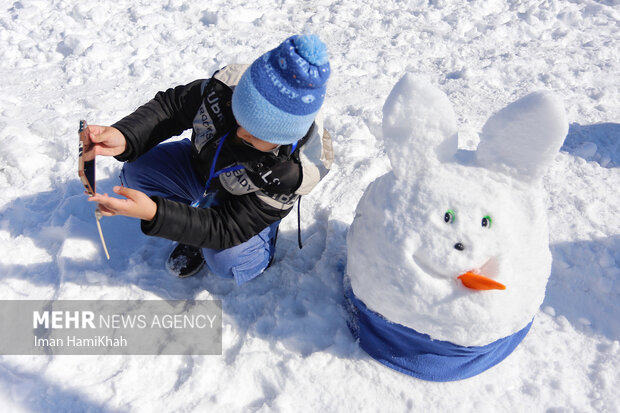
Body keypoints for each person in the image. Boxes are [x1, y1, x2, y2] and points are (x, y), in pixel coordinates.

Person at [86, 34, 333, 284]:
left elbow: (228, 226)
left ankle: (257, 249)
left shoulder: (290, 172)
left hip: (240, 207)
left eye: (253, 133)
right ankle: (196, 222)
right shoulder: (223, 90)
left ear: (283, 138)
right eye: (239, 115)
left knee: (228, 260)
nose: (239, 131)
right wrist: (125, 135)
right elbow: (171, 108)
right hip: (202, 167)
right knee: (137, 173)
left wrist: (157, 214)